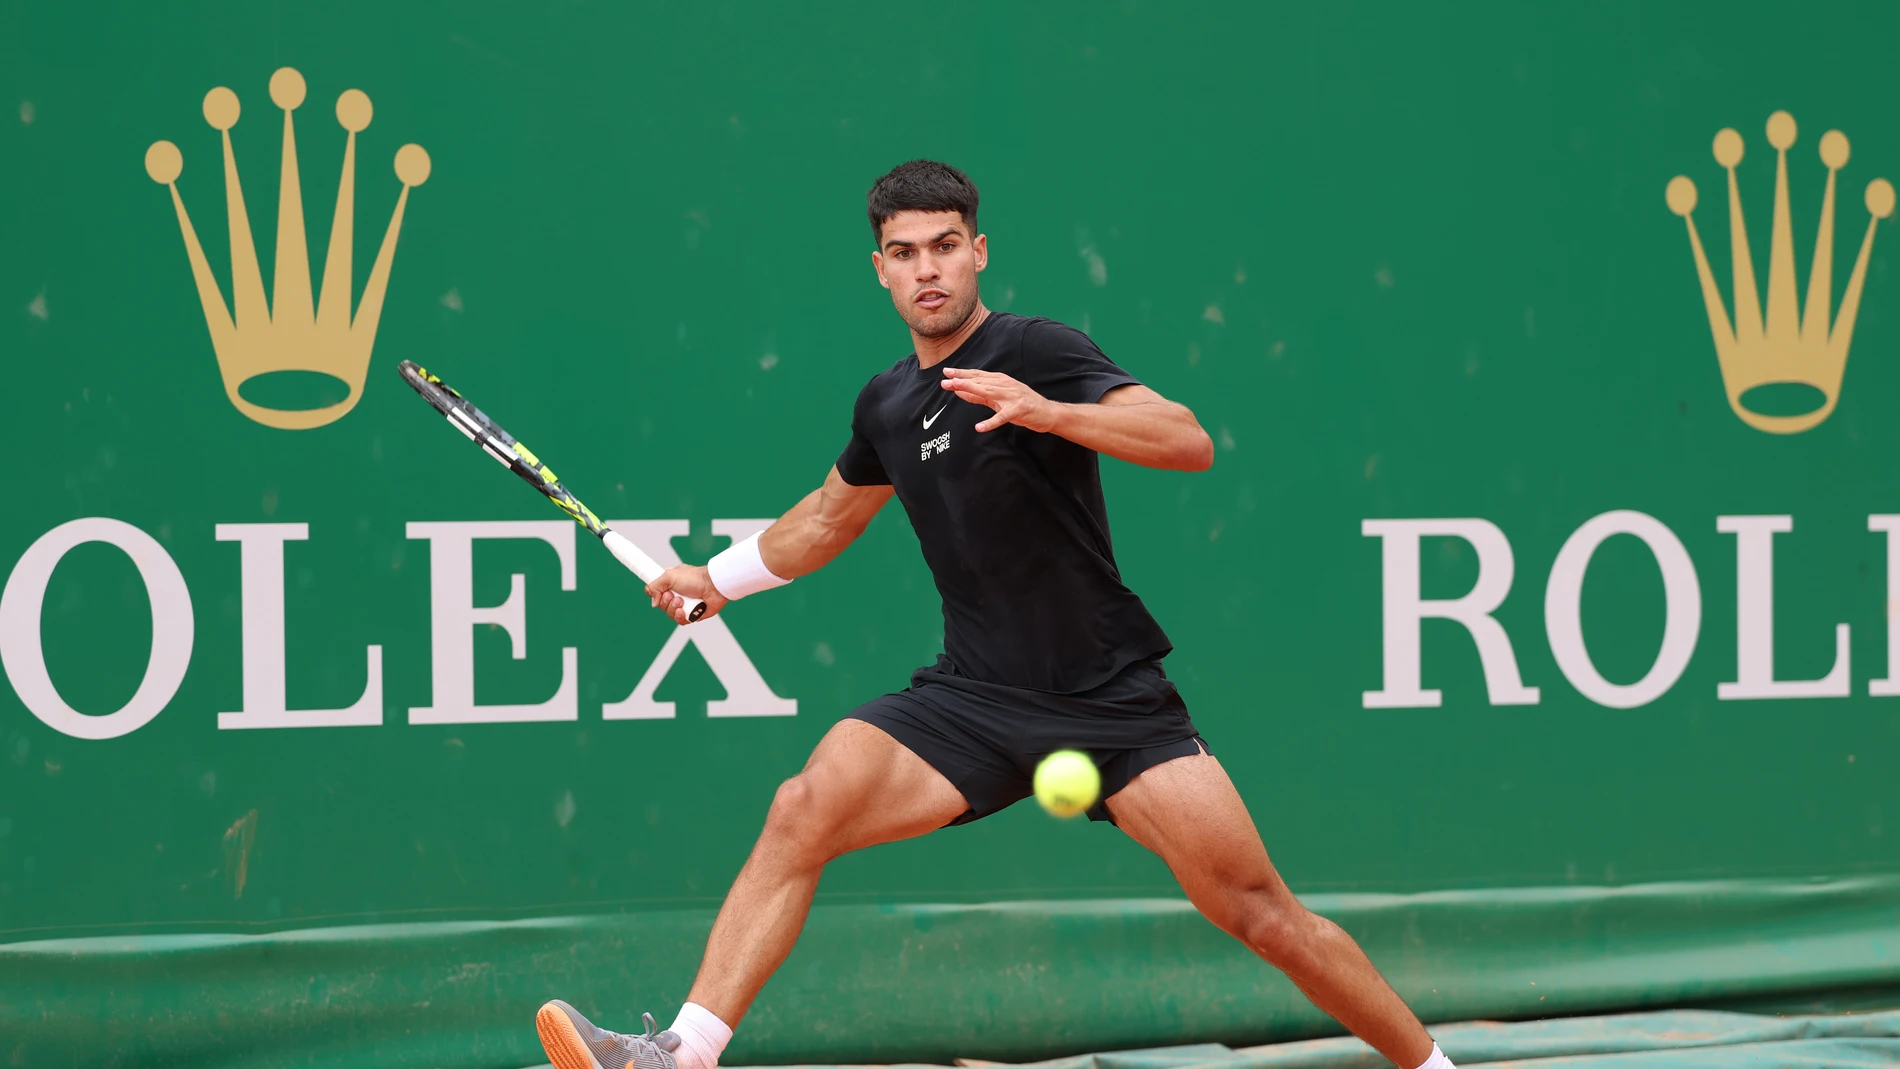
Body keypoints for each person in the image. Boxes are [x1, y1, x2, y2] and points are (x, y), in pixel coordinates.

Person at [534, 161, 1453, 1069]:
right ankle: (679, 1054)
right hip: (971, 698)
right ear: (880, 269)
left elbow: (1187, 438)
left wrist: (1050, 412)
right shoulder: (888, 403)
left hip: (1109, 700)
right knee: (803, 805)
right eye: (904, 252)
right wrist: (717, 580)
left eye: (944, 246)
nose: (927, 268)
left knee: (1264, 914)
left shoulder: (1033, 350)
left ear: (978, 253)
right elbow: (825, 519)